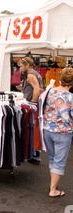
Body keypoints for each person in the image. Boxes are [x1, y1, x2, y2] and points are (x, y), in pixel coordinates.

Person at [39, 67, 73, 198]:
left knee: (53, 159)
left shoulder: (50, 92)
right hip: (63, 132)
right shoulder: (70, 98)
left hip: (47, 130)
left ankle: (53, 184)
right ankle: (53, 190)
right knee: (59, 161)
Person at [19, 56, 44, 165]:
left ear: (27, 65)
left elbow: (37, 89)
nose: (19, 68)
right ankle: (35, 155)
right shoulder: (36, 73)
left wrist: (33, 103)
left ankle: (35, 155)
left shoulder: (30, 75)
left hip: (33, 104)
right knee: (35, 128)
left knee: (33, 128)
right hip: (37, 103)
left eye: (21, 66)